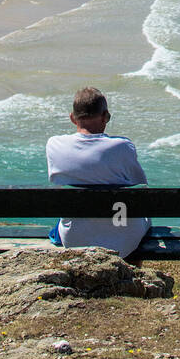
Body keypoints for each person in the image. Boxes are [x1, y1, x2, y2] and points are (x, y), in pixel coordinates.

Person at [46, 86, 150, 258]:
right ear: (105, 117)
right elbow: (141, 186)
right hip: (124, 240)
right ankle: (131, 278)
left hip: (74, 239)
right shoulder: (123, 147)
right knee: (131, 212)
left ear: (72, 118)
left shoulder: (54, 145)